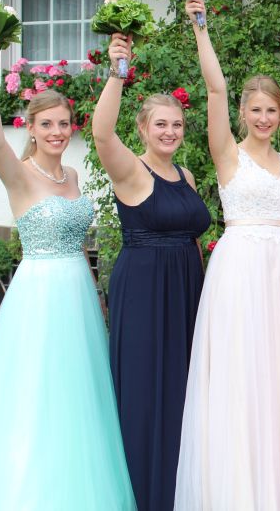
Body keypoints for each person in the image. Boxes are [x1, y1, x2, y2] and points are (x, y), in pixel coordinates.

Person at [0, 38, 135, 510]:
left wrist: (95, 293)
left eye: (63, 124)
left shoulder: (73, 177)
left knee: (78, 395)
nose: (57, 132)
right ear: (32, 127)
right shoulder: (19, 174)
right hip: (40, 297)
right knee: (38, 393)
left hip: (78, 295)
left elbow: (78, 242)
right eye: (47, 124)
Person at [174, 0, 280, 510]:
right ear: (242, 112)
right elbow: (214, 87)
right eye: (255, 110)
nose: (264, 118)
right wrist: (201, 28)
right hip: (239, 275)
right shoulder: (228, 156)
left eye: (271, 110)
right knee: (240, 377)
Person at [93, 34, 211, 511]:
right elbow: (102, 134)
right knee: (146, 391)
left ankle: (180, 489)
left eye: (177, 125)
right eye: (161, 124)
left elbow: (194, 238)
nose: (170, 132)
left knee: (183, 390)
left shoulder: (186, 177)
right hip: (144, 292)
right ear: (143, 128)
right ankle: (143, 494)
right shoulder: (131, 171)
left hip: (186, 291)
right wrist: (117, 72)